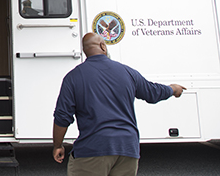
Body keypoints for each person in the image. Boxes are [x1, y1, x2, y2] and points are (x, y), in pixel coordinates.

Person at [52, 33, 186, 176]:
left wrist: (58, 146)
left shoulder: (73, 77)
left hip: (92, 149)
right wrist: (173, 89)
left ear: (85, 51)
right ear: (103, 46)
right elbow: (152, 92)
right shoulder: (127, 72)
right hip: (127, 149)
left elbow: (62, 117)